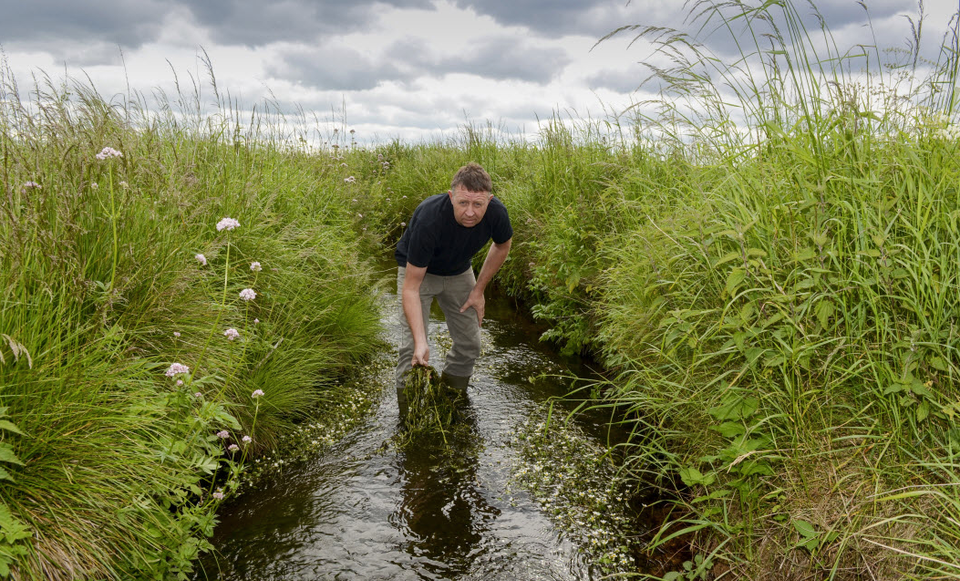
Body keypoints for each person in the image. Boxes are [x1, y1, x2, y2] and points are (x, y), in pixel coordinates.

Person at [394, 162, 513, 417]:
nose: (470, 212)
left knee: (470, 344)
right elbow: (411, 288)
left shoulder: (497, 213)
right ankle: (409, 414)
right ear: (451, 197)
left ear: (489, 201)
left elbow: (502, 245)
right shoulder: (429, 218)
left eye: (478, 204)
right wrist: (421, 342)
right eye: (462, 203)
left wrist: (479, 290)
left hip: (459, 272)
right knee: (412, 350)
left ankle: (450, 400)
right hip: (419, 273)